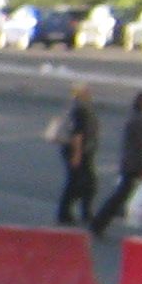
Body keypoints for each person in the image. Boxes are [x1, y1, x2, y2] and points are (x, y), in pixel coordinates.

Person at [88, 89, 142, 235]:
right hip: (138, 164)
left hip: (129, 163)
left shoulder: (134, 117)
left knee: (120, 195)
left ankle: (98, 223)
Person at [49, 85, 99, 225]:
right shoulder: (81, 109)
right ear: (82, 94)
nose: (90, 94)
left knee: (80, 182)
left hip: (76, 150)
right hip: (78, 151)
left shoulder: (73, 106)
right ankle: (69, 213)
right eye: (87, 91)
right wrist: (77, 155)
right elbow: (78, 134)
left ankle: (76, 212)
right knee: (82, 183)